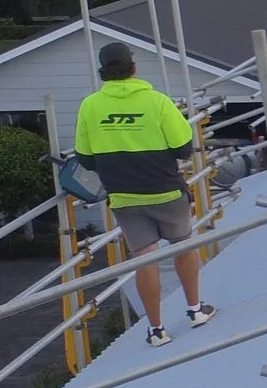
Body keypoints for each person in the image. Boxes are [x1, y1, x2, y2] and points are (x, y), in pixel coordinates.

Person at [76, 41, 213, 348]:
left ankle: (157, 330)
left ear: (103, 72)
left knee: (144, 260)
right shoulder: (157, 102)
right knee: (183, 247)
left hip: (125, 198)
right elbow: (182, 148)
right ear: (133, 67)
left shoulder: (90, 106)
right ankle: (195, 310)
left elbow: (84, 158)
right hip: (166, 191)